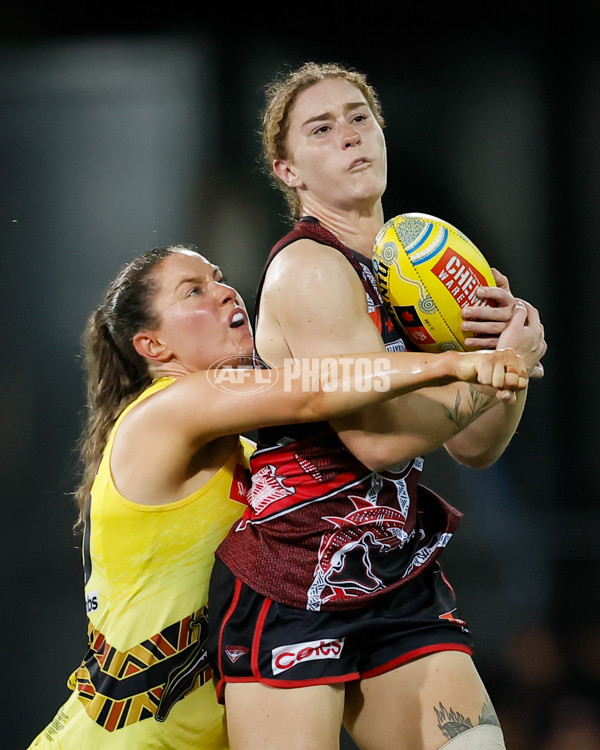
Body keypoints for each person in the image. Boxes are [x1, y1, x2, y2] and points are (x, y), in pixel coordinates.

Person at [26, 244, 526, 750]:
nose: (224, 293)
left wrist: (500, 374)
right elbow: (314, 389)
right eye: (194, 290)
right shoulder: (162, 414)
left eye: (219, 277)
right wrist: (453, 363)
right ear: (153, 346)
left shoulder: (251, 451)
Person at [208, 63, 547, 750]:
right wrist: (500, 368)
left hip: (395, 575)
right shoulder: (309, 268)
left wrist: (512, 370)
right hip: (299, 582)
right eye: (322, 128)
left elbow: (475, 446)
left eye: (360, 117)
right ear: (288, 171)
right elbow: (380, 443)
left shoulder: (412, 278)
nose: (349, 136)